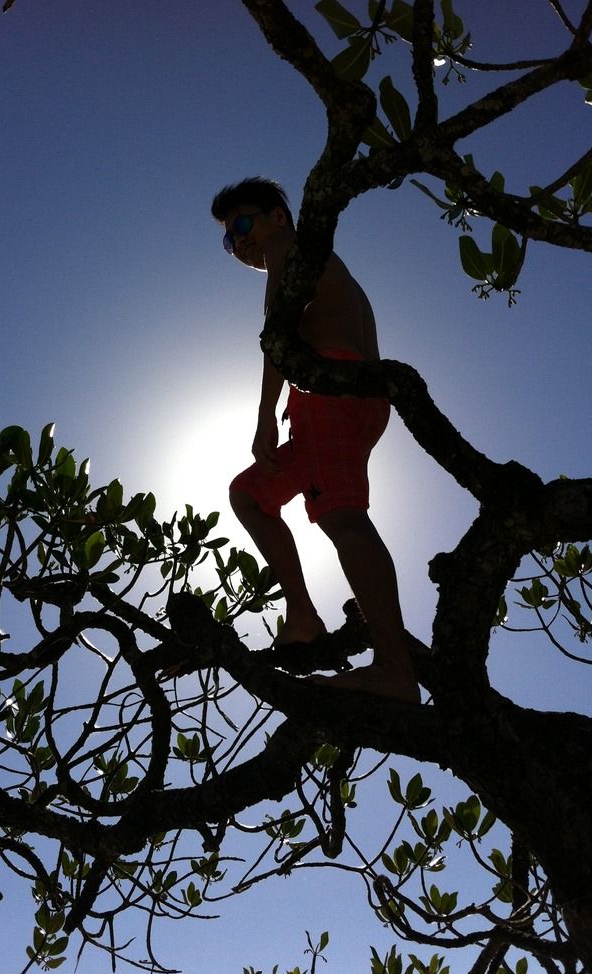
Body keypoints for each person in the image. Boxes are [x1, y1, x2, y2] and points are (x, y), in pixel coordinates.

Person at [211, 177, 419, 704]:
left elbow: (278, 332)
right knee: (250, 494)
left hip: (330, 392)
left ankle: (395, 669)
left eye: (242, 224)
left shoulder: (292, 246)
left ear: (277, 216)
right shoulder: (329, 267)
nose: (238, 243)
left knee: (343, 518)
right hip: (344, 398)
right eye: (227, 239)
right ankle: (303, 614)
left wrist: (263, 419)